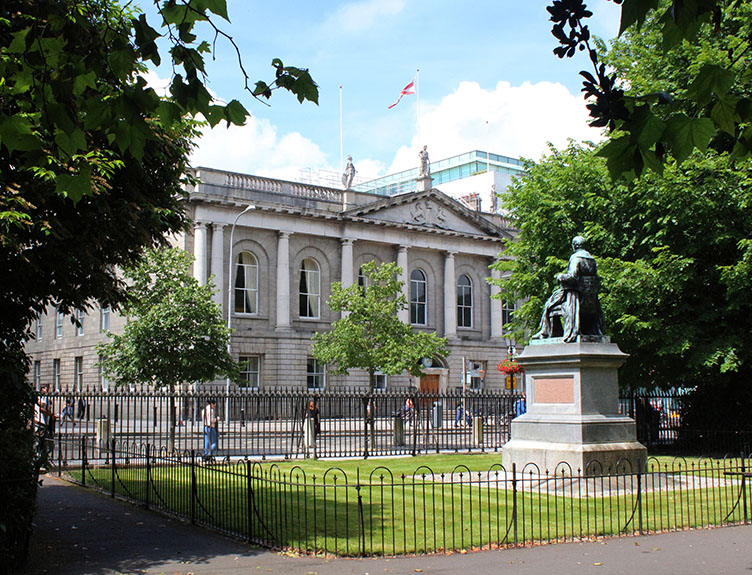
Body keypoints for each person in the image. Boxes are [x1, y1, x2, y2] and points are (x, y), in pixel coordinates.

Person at [532, 236, 605, 342]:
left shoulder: (576, 258)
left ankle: (546, 332)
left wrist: (560, 276)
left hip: (576, 298)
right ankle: (549, 332)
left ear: (574, 246)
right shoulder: (592, 260)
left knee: (549, 305)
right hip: (590, 300)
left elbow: (572, 277)